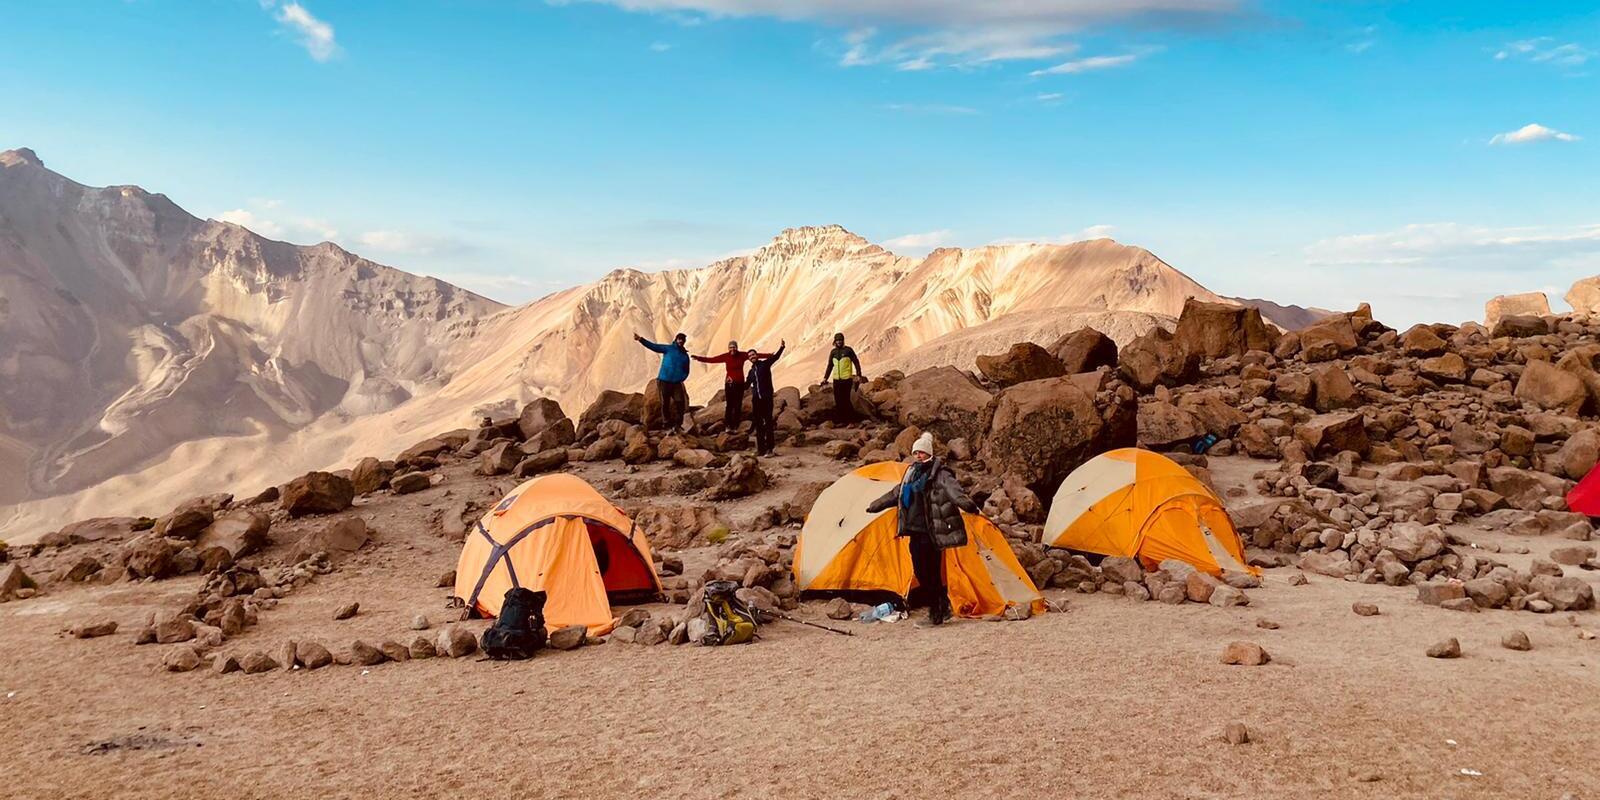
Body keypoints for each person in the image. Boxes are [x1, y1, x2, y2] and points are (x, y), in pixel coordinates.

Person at [864, 433, 976, 626]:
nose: (918, 456)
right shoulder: (911, 473)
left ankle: (936, 614)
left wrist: (970, 507)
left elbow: (954, 492)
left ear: (929, 453)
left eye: (922, 452)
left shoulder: (940, 473)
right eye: (916, 452)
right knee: (921, 571)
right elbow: (896, 493)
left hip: (932, 532)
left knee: (929, 572)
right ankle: (942, 607)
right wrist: (876, 505)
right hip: (914, 530)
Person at [694, 340, 777, 431]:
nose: (732, 349)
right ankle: (728, 425)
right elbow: (712, 359)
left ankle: (735, 426)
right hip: (729, 383)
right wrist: (699, 358)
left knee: (738, 405)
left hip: (740, 384)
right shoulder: (726, 356)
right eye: (731, 347)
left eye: (734, 347)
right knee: (729, 405)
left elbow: (756, 355)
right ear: (728, 348)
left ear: (736, 348)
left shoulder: (742, 355)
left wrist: (769, 355)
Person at [634, 331, 691, 431]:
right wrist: (641, 339)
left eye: (682, 340)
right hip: (664, 380)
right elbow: (654, 346)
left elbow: (686, 370)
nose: (680, 341)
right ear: (676, 339)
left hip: (676, 383)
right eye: (679, 339)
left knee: (680, 402)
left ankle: (678, 424)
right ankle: (666, 423)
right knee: (665, 403)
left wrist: (681, 378)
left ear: (684, 341)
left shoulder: (684, 356)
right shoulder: (668, 348)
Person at [745, 340, 786, 456]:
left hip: (767, 398)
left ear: (756, 356)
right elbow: (746, 385)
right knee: (758, 424)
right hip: (756, 400)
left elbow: (776, 358)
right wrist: (733, 384)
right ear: (748, 359)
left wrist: (782, 347)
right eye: (750, 356)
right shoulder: (751, 372)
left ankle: (770, 449)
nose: (752, 357)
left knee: (768, 423)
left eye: (753, 354)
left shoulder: (764, 364)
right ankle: (761, 449)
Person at [820, 333, 864, 426]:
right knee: (838, 400)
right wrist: (825, 378)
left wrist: (859, 374)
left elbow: (856, 362)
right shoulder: (833, 352)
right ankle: (842, 421)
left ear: (843, 340)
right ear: (835, 341)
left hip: (847, 379)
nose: (839, 342)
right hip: (837, 380)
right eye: (837, 340)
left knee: (846, 400)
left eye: (840, 340)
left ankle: (851, 421)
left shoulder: (848, 350)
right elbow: (830, 366)